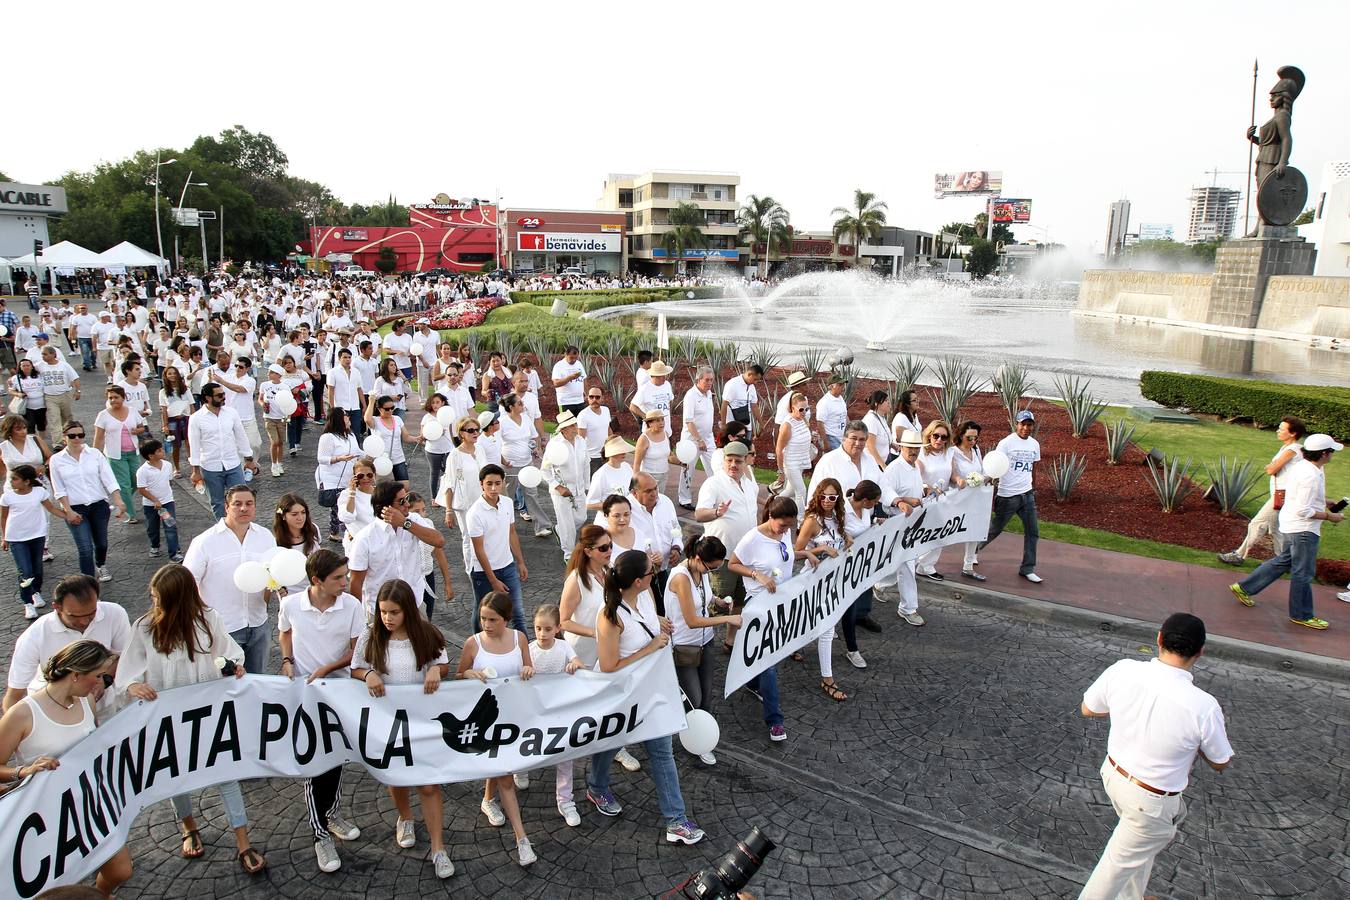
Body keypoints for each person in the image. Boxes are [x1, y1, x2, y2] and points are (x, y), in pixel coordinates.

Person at [116, 564, 266, 875]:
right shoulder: (144, 628)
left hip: (207, 715)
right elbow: (127, 673)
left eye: (161, 599)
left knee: (226, 774)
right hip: (167, 719)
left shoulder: (207, 619)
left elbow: (230, 653)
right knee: (175, 777)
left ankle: (242, 840)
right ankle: (188, 827)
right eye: (153, 597)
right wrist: (133, 685)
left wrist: (234, 666)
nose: (155, 604)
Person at [1078, 613, 1233, 900]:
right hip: (1151, 802)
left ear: (1159, 639)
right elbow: (1220, 761)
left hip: (1113, 776)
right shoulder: (1204, 706)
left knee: (1134, 851)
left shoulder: (1123, 669)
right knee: (1111, 872)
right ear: (1200, 652)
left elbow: (1088, 709)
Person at [585, 549, 705, 845]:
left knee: (661, 753)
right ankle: (597, 787)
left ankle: (675, 821)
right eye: (652, 572)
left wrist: (659, 622)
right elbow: (610, 665)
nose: (657, 575)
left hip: (652, 692)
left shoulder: (647, 596)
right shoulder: (610, 616)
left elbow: (647, 621)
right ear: (638, 581)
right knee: (611, 742)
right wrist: (649, 648)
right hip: (623, 697)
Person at [0, 640, 133, 894]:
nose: (100, 684)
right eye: (97, 676)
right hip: (45, 814)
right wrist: (22, 771)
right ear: (75, 675)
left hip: (89, 802)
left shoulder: (87, 702)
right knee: (57, 886)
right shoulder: (23, 714)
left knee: (120, 870)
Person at [351, 579, 454, 879]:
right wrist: (368, 673)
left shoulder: (427, 634)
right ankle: (405, 817)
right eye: (383, 611)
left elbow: (443, 663)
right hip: (388, 722)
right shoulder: (371, 635)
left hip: (423, 721)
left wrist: (436, 668)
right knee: (396, 778)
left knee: (429, 784)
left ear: (407, 610)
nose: (387, 618)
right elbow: (356, 666)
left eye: (394, 612)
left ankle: (438, 848)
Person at [278, 549, 365, 873]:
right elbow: (284, 632)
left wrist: (329, 668)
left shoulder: (352, 606)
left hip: (340, 693)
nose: (345, 582)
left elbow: (357, 650)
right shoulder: (290, 606)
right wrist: (287, 660)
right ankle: (320, 835)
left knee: (337, 757)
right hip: (306, 696)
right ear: (316, 581)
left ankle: (331, 814)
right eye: (338, 578)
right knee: (314, 763)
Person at [728, 496, 830, 742]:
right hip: (759, 605)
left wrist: (807, 553)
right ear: (770, 517)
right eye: (782, 526)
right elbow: (732, 564)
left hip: (780, 602)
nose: (786, 530)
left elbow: (786, 555)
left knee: (766, 657)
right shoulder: (753, 538)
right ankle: (775, 720)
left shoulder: (783, 533)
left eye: (789, 526)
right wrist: (757, 575)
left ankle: (752, 682)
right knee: (770, 661)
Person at [457, 591, 538, 866]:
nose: (486, 624)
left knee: (501, 766)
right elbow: (459, 674)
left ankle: (487, 800)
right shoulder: (472, 643)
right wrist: (468, 674)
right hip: (487, 721)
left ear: (507, 619)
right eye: (482, 618)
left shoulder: (520, 638)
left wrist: (528, 669)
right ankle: (521, 838)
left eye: (492, 619)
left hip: (515, 716)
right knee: (505, 774)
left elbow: (528, 665)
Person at [1230, 434, 1343, 629]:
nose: (1332, 455)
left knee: (1284, 560)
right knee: (1303, 572)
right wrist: (1329, 516)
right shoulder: (1311, 475)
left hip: (1291, 524)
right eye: (1331, 451)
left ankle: (1244, 587)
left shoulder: (1304, 467)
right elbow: (1303, 510)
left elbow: (1299, 496)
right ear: (1324, 453)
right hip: (1303, 530)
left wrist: (1324, 502)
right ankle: (1301, 614)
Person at [183, 484, 277, 676]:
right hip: (223, 629)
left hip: (258, 624)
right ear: (226, 507)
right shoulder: (204, 542)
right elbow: (187, 584)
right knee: (224, 685)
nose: (244, 508)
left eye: (249, 503)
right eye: (237, 504)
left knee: (258, 681)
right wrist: (207, 618)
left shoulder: (266, 537)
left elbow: (271, 575)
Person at [667, 534, 741, 763]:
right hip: (685, 645)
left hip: (705, 641)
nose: (713, 572)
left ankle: (702, 740)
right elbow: (691, 620)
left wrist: (718, 601)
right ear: (699, 558)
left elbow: (703, 598)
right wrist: (726, 620)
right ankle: (687, 736)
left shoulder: (701, 570)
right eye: (712, 568)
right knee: (694, 698)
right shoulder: (681, 577)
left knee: (706, 696)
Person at [695, 440, 761, 648]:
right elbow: (699, 514)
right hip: (722, 558)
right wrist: (717, 512)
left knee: (740, 600)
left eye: (738, 461)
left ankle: (730, 640)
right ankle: (702, 641)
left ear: (746, 463)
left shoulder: (750, 486)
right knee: (719, 603)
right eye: (729, 460)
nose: (733, 465)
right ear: (723, 461)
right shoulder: (713, 484)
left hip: (746, 557)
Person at [348, 480, 445, 618]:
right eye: (401, 501)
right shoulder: (364, 538)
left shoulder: (413, 520)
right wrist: (357, 618)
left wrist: (406, 524)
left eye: (405, 499)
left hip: (414, 605)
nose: (407, 504)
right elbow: (356, 582)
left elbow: (439, 541)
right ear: (385, 507)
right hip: (381, 612)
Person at [1219, 415, 1307, 566]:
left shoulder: (1293, 449)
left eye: (1281, 429)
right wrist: (1273, 467)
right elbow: (1273, 468)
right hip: (1281, 495)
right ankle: (1285, 561)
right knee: (1275, 530)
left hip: (1282, 495)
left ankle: (1239, 556)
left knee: (1257, 523)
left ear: (1293, 433)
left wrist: (1272, 467)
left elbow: (1271, 469)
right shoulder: (1286, 447)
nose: (1278, 431)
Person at [528, 603, 587, 825]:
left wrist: (574, 665)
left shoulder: (563, 647)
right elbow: (519, 670)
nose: (542, 634)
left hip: (559, 710)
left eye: (548, 629)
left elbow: (577, 661)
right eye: (538, 628)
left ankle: (565, 799)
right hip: (535, 711)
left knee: (565, 755)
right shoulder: (530, 649)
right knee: (529, 746)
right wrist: (525, 670)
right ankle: (521, 770)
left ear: (558, 628)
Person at [49, 419, 127, 580]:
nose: (77, 439)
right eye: (72, 436)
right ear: (64, 437)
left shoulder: (95, 454)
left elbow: (108, 478)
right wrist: (68, 511)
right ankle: (88, 583)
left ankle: (101, 564)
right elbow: (59, 488)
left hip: (99, 505)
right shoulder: (57, 460)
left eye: (80, 435)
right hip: (75, 508)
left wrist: (118, 499)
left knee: (101, 543)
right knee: (84, 548)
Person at [795, 478, 849, 699]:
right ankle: (827, 679)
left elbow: (841, 538)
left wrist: (847, 538)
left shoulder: (837, 519)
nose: (827, 500)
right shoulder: (811, 521)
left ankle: (793, 646)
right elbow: (796, 551)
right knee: (826, 629)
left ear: (838, 499)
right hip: (813, 580)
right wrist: (821, 548)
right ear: (818, 496)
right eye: (824, 496)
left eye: (832, 497)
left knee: (811, 622)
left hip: (833, 582)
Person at [978, 410, 1043, 584]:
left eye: (1029, 425)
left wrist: (1033, 489)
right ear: (1016, 424)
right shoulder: (1006, 444)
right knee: (995, 529)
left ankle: (1027, 569)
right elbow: (995, 466)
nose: (1026, 428)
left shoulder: (1034, 445)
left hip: (1027, 495)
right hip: (1008, 496)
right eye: (1023, 424)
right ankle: (973, 552)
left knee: (1033, 532)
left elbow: (1033, 469)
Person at [467, 464, 530, 632]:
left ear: (503, 483)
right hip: (483, 572)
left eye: (497, 483)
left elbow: (512, 533)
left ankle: (523, 653)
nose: (494, 488)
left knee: (517, 613)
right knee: (483, 611)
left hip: (508, 566)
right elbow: (478, 550)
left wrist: (521, 562)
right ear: (481, 484)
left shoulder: (508, 503)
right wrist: (493, 580)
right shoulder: (474, 513)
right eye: (489, 484)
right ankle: (477, 646)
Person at [2, 464, 68, 617]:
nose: (11, 482)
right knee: (25, 571)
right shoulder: (7, 497)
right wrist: (4, 538)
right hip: (16, 539)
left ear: (27, 481)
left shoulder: (39, 492)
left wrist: (68, 515)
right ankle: (28, 603)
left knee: (37, 569)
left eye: (15, 479)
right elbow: (4, 518)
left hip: (37, 536)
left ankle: (36, 592)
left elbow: (51, 508)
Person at [878, 430, 929, 627]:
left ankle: (880, 584)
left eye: (916, 448)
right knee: (907, 563)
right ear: (900, 447)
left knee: (903, 561)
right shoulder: (894, 469)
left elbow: (913, 490)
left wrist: (925, 489)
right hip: (898, 523)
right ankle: (908, 608)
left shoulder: (913, 467)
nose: (913, 451)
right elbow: (885, 499)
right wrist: (904, 501)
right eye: (910, 447)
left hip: (912, 524)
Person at [188, 382, 259, 519]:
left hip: (233, 463)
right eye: (219, 395)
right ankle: (223, 531)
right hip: (210, 466)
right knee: (217, 502)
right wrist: (195, 471)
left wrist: (249, 460)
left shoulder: (231, 413)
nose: (223, 397)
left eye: (224, 394)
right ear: (208, 398)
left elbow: (241, 436)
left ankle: (241, 526)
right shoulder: (196, 418)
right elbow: (194, 445)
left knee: (241, 498)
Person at [914, 419, 965, 581]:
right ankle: (906, 567)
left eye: (944, 437)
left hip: (943, 500)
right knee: (920, 535)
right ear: (929, 435)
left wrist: (959, 480)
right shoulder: (920, 453)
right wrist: (927, 488)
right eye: (936, 436)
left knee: (941, 535)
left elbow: (953, 473)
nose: (939, 440)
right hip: (924, 500)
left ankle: (926, 566)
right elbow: (916, 476)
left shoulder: (949, 453)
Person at [498, 392, 554, 537]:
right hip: (510, 466)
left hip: (527, 463)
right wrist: (504, 461)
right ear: (511, 407)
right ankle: (502, 527)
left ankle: (541, 526)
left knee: (531, 494)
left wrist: (534, 448)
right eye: (520, 403)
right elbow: (496, 444)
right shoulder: (502, 422)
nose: (523, 405)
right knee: (507, 497)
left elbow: (533, 436)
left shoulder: (526, 419)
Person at [560, 525, 612, 668]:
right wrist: (595, 633)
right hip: (581, 652)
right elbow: (563, 621)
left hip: (604, 649)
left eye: (610, 545)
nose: (609, 551)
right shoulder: (575, 581)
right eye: (603, 548)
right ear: (588, 552)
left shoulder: (609, 571)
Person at [93, 384, 146, 521]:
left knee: (136, 481)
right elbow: (98, 438)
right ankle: (130, 514)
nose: (113, 400)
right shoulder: (103, 415)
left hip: (133, 452)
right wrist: (94, 456)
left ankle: (123, 499)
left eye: (116, 397)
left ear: (123, 397)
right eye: (110, 398)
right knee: (123, 484)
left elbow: (142, 427)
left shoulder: (132, 411)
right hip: (115, 455)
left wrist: (137, 431)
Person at [441, 414, 487, 569]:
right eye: (471, 430)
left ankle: (485, 566)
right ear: (461, 433)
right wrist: (448, 510)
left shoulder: (480, 449)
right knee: (468, 537)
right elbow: (449, 483)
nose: (475, 433)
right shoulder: (455, 455)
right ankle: (471, 569)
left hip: (483, 500)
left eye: (477, 430)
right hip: (465, 503)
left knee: (485, 536)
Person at [544, 410, 589, 561]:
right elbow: (544, 470)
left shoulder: (581, 441)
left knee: (581, 518)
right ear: (563, 429)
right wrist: (558, 487)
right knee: (567, 523)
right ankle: (569, 553)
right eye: (571, 425)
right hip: (561, 492)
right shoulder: (554, 444)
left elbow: (586, 465)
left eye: (575, 424)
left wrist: (587, 486)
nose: (575, 427)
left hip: (579, 489)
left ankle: (559, 530)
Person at [317, 411, 363, 542]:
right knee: (338, 506)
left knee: (346, 504)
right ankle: (340, 532)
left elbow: (358, 452)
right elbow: (321, 458)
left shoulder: (351, 435)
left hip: (348, 477)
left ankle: (341, 531)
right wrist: (340, 458)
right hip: (332, 478)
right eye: (346, 415)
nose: (349, 417)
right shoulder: (328, 437)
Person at [135, 439, 181, 562]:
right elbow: (141, 489)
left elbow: (169, 482)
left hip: (167, 502)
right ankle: (154, 546)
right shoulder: (142, 471)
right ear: (150, 456)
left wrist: (165, 496)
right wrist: (155, 500)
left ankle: (174, 552)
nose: (162, 451)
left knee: (170, 526)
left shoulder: (167, 465)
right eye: (159, 450)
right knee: (152, 527)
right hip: (150, 506)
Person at [677, 366, 716, 510]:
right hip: (691, 440)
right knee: (688, 469)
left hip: (708, 438)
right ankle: (684, 499)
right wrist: (699, 440)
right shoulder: (690, 396)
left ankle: (716, 497)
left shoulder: (709, 393)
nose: (710, 383)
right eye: (707, 380)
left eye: (711, 380)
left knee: (715, 467)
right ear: (698, 380)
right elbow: (689, 421)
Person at [952, 420, 986, 581]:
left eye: (975, 438)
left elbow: (982, 470)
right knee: (946, 531)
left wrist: (987, 477)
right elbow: (951, 474)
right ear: (961, 435)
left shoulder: (976, 450)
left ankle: (968, 565)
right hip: (957, 498)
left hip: (975, 498)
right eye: (969, 438)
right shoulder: (953, 452)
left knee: (975, 530)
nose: (972, 441)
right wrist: (959, 480)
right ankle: (923, 563)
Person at [365, 393, 422, 483]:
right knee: (381, 489)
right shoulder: (375, 420)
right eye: (387, 409)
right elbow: (367, 419)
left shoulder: (397, 419)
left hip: (398, 457)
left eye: (392, 408)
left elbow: (406, 437)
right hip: (380, 460)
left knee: (405, 486)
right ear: (379, 409)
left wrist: (416, 439)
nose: (390, 411)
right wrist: (371, 401)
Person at [272, 492, 322, 594]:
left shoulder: (314, 529)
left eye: (303, 512)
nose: (300, 518)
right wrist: (281, 589)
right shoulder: (275, 542)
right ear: (283, 516)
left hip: (317, 591)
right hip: (292, 595)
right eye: (294, 514)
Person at [774, 391, 814, 511]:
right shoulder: (787, 425)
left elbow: (804, 436)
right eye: (801, 409)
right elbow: (779, 449)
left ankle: (773, 503)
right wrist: (781, 470)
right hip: (791, 463)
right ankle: (800, 522)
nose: (804, 412)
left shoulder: (803, 419)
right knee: (801, 491)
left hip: (801, 460)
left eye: (806, 409)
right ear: (792, 408)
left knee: (790, 490)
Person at [158, 363, 194, 475]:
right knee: (176, 445)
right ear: (166, 376)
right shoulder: (163, 392)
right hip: (172, 421)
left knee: (190, 443)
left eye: (174, 373)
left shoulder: (185, 390)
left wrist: (194, 420)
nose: (172, 375)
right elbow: (163, 410)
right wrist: (165, 425)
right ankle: (177, 468)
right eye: (169, 374)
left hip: (186, 418)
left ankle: (194, 468)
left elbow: (192, 405)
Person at [38, 344, 80, 437]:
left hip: (65, 395)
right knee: (54, 419)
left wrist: (78, 391)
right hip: (49, 397)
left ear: (53, 354)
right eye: (42, 354)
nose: (43, 357)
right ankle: (57, 443)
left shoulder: (64, 365)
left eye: (45, 354)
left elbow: (75, 378)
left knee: (67, 418)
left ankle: (69, 437)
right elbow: (28, 370)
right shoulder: (40, 366)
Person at [326, 347, 367, 443]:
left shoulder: (356, 372)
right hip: (341, 408)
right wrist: (332, 408)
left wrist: (364, 406)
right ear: (339, 358)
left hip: (355, 407)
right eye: (345, 357)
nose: (347, 360)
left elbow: (359, 389)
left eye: (349, 357)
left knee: (356, 433)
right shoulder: (333, 372)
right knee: (341, 433)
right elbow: (330, 391)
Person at [337, 457, 378, 550]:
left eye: (369, 475)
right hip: (357, 545)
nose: (365, 478)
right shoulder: (346, 494)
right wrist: (352, 493)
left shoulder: (382, 493)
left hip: (379, 544)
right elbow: (347, 518)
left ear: (374, 475)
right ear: (354, 477)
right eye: (361, 476)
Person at [0, 413, 50, 490]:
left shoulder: (35, 440)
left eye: (24, 428)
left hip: (38, 481)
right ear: (9, 431)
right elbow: (1, 470)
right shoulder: (3, 447)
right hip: (14, 486)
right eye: (18, 429)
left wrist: (44, 467)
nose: (23, 431)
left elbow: (50, 457)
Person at [587, 436, 635, 511]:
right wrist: (613, 507)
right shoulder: (600, 474)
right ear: (612, 453)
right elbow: (590, 504)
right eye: (620, 450)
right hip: (608, 520)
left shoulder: (627, 467)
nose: (624, 452)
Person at [422, 393, 454, 500]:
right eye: (433, 403)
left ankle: (448, 495)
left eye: (437, 402)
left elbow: (451, 432)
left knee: (449, 472)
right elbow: (423, 435)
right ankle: (434, 497)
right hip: (433, 450)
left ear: (443, 403)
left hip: (448, 448)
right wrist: (434, 434)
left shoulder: (447, 414)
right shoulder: (427, 417)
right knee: (434, 473)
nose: (435, 405)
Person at [577, 386, 613, 477]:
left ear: (602, 398)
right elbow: (580, 439)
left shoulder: (606, 410)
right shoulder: (583, 415)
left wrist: (613, 444)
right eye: (591, 397)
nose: (594, 399)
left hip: (606, 454)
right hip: (592, 458)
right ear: (587, 398)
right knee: (592, 485)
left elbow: (608, 429)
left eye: (597, 397)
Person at [9, 357, 47, 442]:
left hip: (41, 405)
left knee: (42, 425)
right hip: (27, 406)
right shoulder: (16, 378)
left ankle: (41, 441)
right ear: (20, 367)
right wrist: (18, 394)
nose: (26, 367)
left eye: (28, 365)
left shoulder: (39, 376)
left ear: (32, 366)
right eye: (23, 366)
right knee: (30, 425)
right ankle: (32, 442)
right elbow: (11, 390)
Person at [720, 363, 762, 440]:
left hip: (746, 425)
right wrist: (723, 425)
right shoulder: (732, 384)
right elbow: (724, 404)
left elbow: (754, 405)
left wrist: (760, 423)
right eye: (755, 379)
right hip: (733, 426)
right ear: (750, 374)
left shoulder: (751, 387)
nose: (755, 382)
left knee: (746, 448)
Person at [551, 345, 587, 417]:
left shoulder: (579, 364)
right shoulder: (559, 366)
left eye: (575, 358)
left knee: (580, 425)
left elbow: (584, 379)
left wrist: (587, 394)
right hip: (565, 402)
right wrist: (570, 377)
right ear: (566, 355)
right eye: (571, 358)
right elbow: (556, 383)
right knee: (567, 426)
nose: (573, 360)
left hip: (580, 401)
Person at [815, 375, 849, 452]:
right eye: (840, 385)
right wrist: (825, 442)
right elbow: (820, 423)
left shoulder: (840, 399)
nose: (843, 387)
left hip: (841, 437)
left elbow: (845, 415)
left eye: (843, 384)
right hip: (831, 438)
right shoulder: (824, 403)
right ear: (830, 387)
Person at [861, 390, 894, 467]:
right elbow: (870, 446)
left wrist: (892, 444)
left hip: (880, 462)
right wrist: (882, 465)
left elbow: (882, 435)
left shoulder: (880, 417)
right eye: (885, 401)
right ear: (877, 404)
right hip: (872, 464)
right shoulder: (871, 420)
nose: (888, 403)